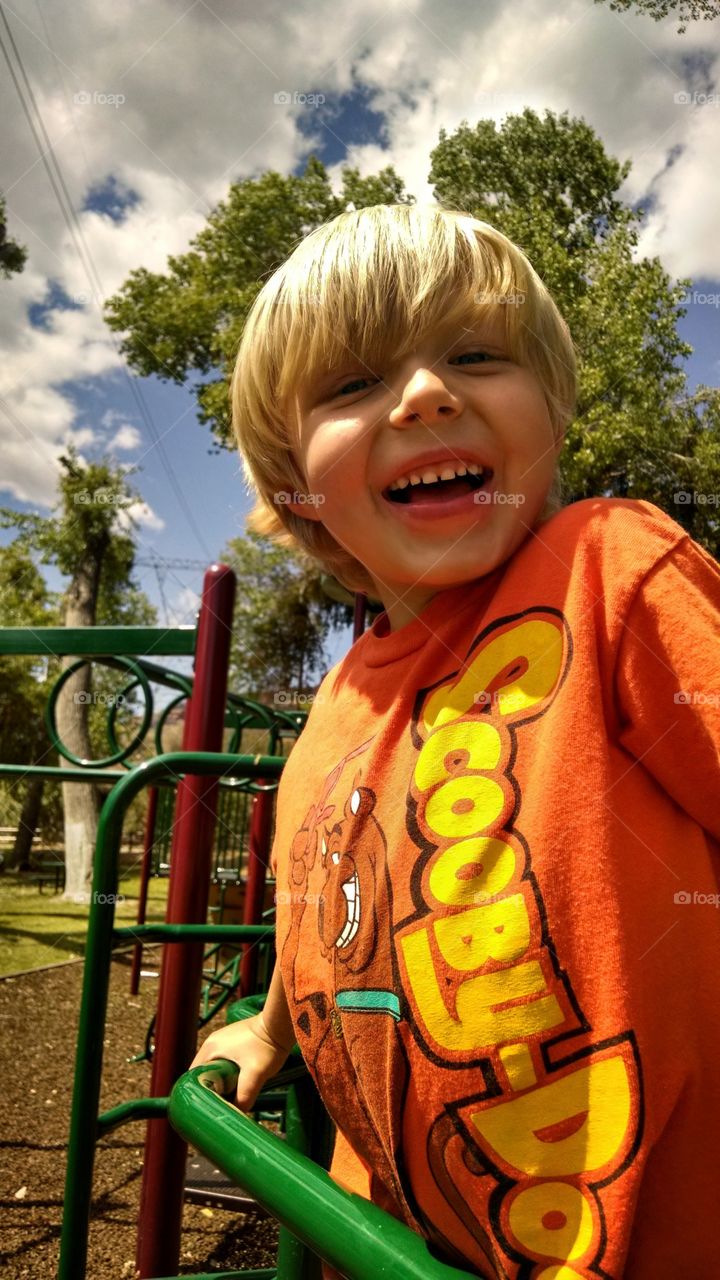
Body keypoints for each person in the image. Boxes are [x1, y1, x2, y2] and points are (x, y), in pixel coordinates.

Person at [191, 204, 720, 1279]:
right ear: (297, 492)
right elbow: (326, 910)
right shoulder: (335, 706)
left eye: (476, 355)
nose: (427, 393)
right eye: (351, 385)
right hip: (386, 1237)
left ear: (551, 413)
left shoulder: (609, 573)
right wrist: (268, 1031)